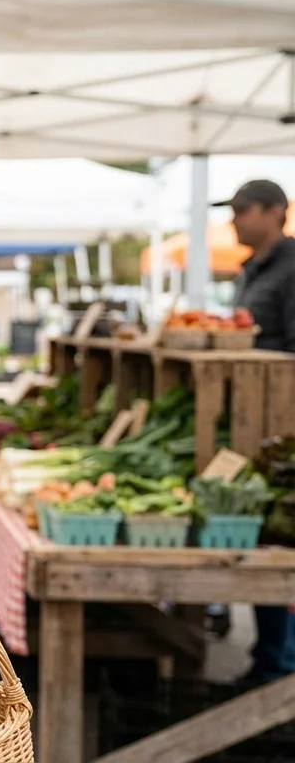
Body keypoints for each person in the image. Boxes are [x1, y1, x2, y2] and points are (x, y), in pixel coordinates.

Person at [216, 179, 295, 682]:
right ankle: (268, 661)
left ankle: (280, 668)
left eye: (243, 210)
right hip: (255, 430)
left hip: (284, 430)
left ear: (275, 212)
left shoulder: (292, 269)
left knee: (282, 549)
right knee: (265, 543)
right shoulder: (251, 270)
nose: (235, 219)